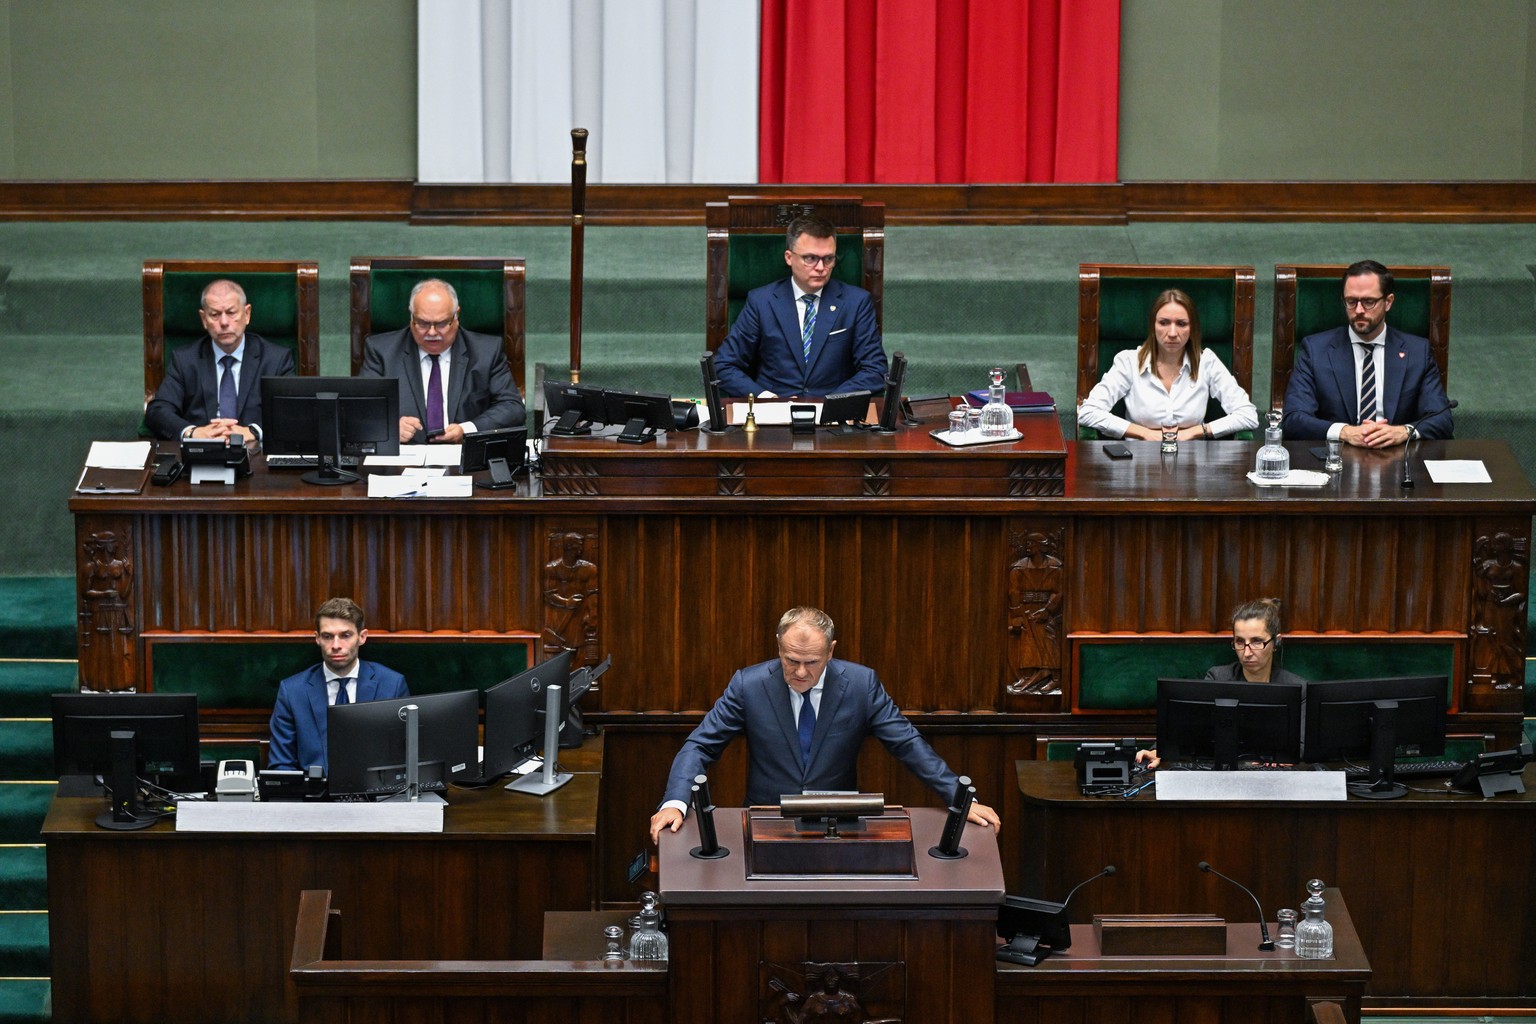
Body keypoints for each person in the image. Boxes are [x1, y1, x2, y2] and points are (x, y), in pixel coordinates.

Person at [649, 606, 1000, 844]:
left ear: (831, 651)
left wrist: (961, 798)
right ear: (778, 648)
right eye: (791, 660)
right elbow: (700, 746)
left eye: (812, 662)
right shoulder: (748, 685)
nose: (801, 672)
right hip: (766, 822)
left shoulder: (861, 685)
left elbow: (907, 744)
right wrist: (675, 802)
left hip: (838, 825)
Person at [714, 215, 888, 399]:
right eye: (810, 258)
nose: (821, 267)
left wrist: (832, 402)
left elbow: (875, 370)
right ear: (789, 257)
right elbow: (724, 365)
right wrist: (766, 398)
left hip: (833, 416)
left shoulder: (856, 302)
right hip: (774, 415)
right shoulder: (761, 301)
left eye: (828, 259)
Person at [1281, 260, 1452, 447]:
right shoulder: (1316, 350)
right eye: (1351, 301)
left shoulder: (1417, 351)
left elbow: (1442, 419)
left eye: (1369, 302)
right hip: (1337, 458)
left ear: (1388, 302)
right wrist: (1344, 432)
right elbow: (1293, 419)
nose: (1359, 310)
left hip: (1398, 458)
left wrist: (1403, 431)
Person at [1138, 597, 1306, 768]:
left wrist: (1280, 756)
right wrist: (1158, 750)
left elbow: (1303, 746)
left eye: (1256, 642)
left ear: (1276, 642)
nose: (1247, 653)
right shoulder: (1217, 678)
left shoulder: (1299, 688)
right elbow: (1191, 729)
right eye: (1240, 642)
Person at [1077, 288, 1257, 440]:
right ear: (1153, 325)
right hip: (1138, 465)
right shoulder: (1129, 362)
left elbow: (1248, 415)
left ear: (1192, 327)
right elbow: (1088, 412)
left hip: (1192, 465)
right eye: (1164, 323)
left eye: (1181, 324)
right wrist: (1144, 433)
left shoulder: (1207, 362)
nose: (1172, 332)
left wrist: (1197, 431)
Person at [359, 278, 525, 444]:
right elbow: (361, 407)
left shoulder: (486, 352)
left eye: (441, 324)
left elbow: (512, 408)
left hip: (463, 457)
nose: (432, 332)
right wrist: (389, 425)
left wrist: (466, 430)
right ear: (411, 316)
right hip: (402, 459)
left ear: (456, 315)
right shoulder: (382, 352)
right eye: (423, 323)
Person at [267, 597, 410, 773]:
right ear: (317, 638)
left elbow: (405, 757)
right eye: (328, 636)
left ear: (362, 637)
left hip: (376, 796)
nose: (336, 645)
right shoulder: (292, 691)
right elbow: (281, 766)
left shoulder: (392, 685)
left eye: (345, 635)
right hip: (313, 797)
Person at [144, 279, 296, 441]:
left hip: (254, 453)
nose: (224, 323)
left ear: (247, 314)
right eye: (215, 315)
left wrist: (254, 432)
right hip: (201, 453)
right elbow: (158, 411)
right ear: (203, 319)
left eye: (231, 313)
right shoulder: (185, 360)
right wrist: (192, 432)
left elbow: (293, 412)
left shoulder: (276, 359)